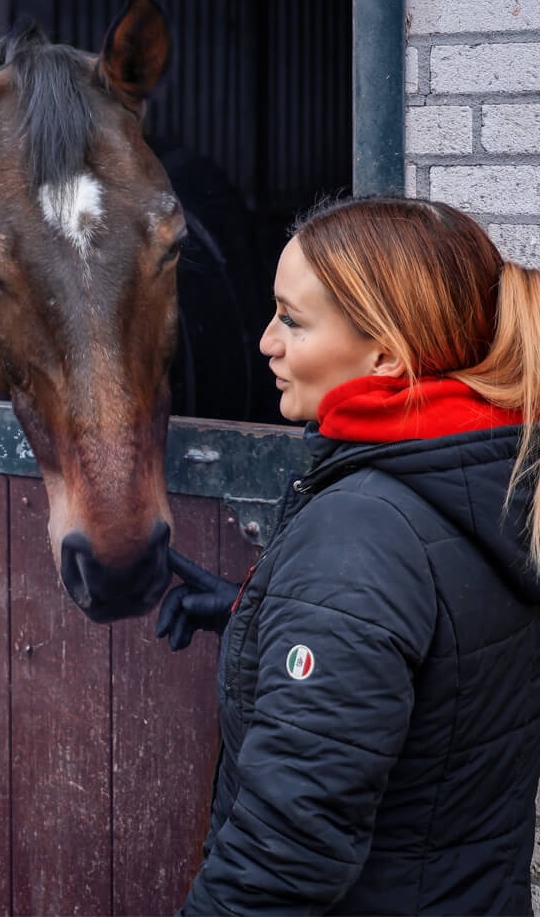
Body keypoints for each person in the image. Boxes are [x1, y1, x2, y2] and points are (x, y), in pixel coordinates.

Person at [160, 197, 540, 913]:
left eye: (293, 321)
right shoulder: (492, 477)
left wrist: (325, 600)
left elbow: (287, 851)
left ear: (385, 356)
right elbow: (442, 659)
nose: (266, 342)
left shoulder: (359, 532)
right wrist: (264, 614)